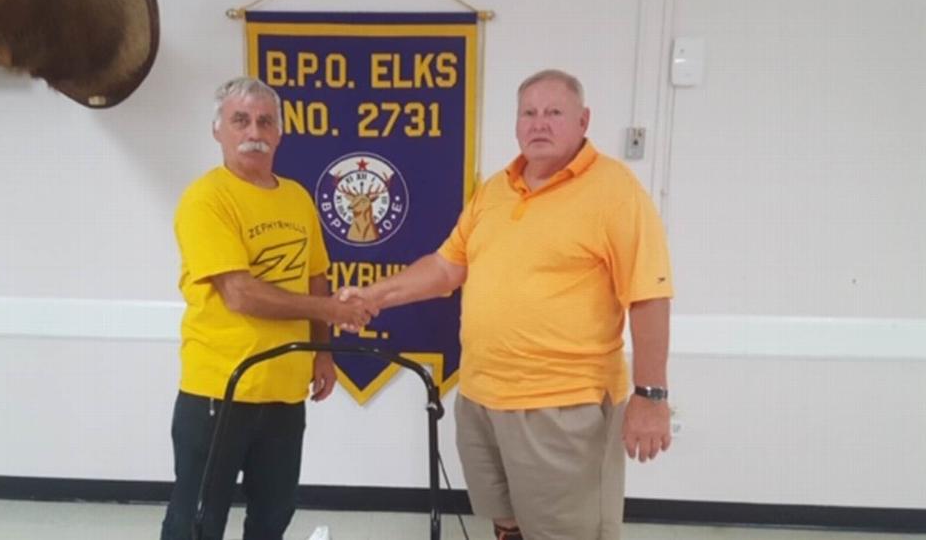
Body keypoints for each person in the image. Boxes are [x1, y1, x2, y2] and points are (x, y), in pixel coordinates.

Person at [339, 69, 674, 540]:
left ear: (583, 120)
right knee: (506, 522)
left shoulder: (615, 191)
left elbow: (648, 295)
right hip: (480, 398)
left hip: (562, 406)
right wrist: (373, 296)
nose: (540, 124)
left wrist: (651, 395)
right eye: (529, 113)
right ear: (516, 124)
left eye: (554, 112)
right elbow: (445, 267)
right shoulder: (495, 190)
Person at [161, 77, 376, 540]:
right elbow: (239, 293)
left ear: (280, 132)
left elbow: (316, 276)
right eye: (240, 120)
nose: (253, 130)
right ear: (218, 131)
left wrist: (323, 351)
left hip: (284, 392)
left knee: (273, 516)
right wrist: (331, 310)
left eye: (265, 121)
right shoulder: (207, 199)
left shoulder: (297, 197)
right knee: (196, 519)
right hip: (220, 390)